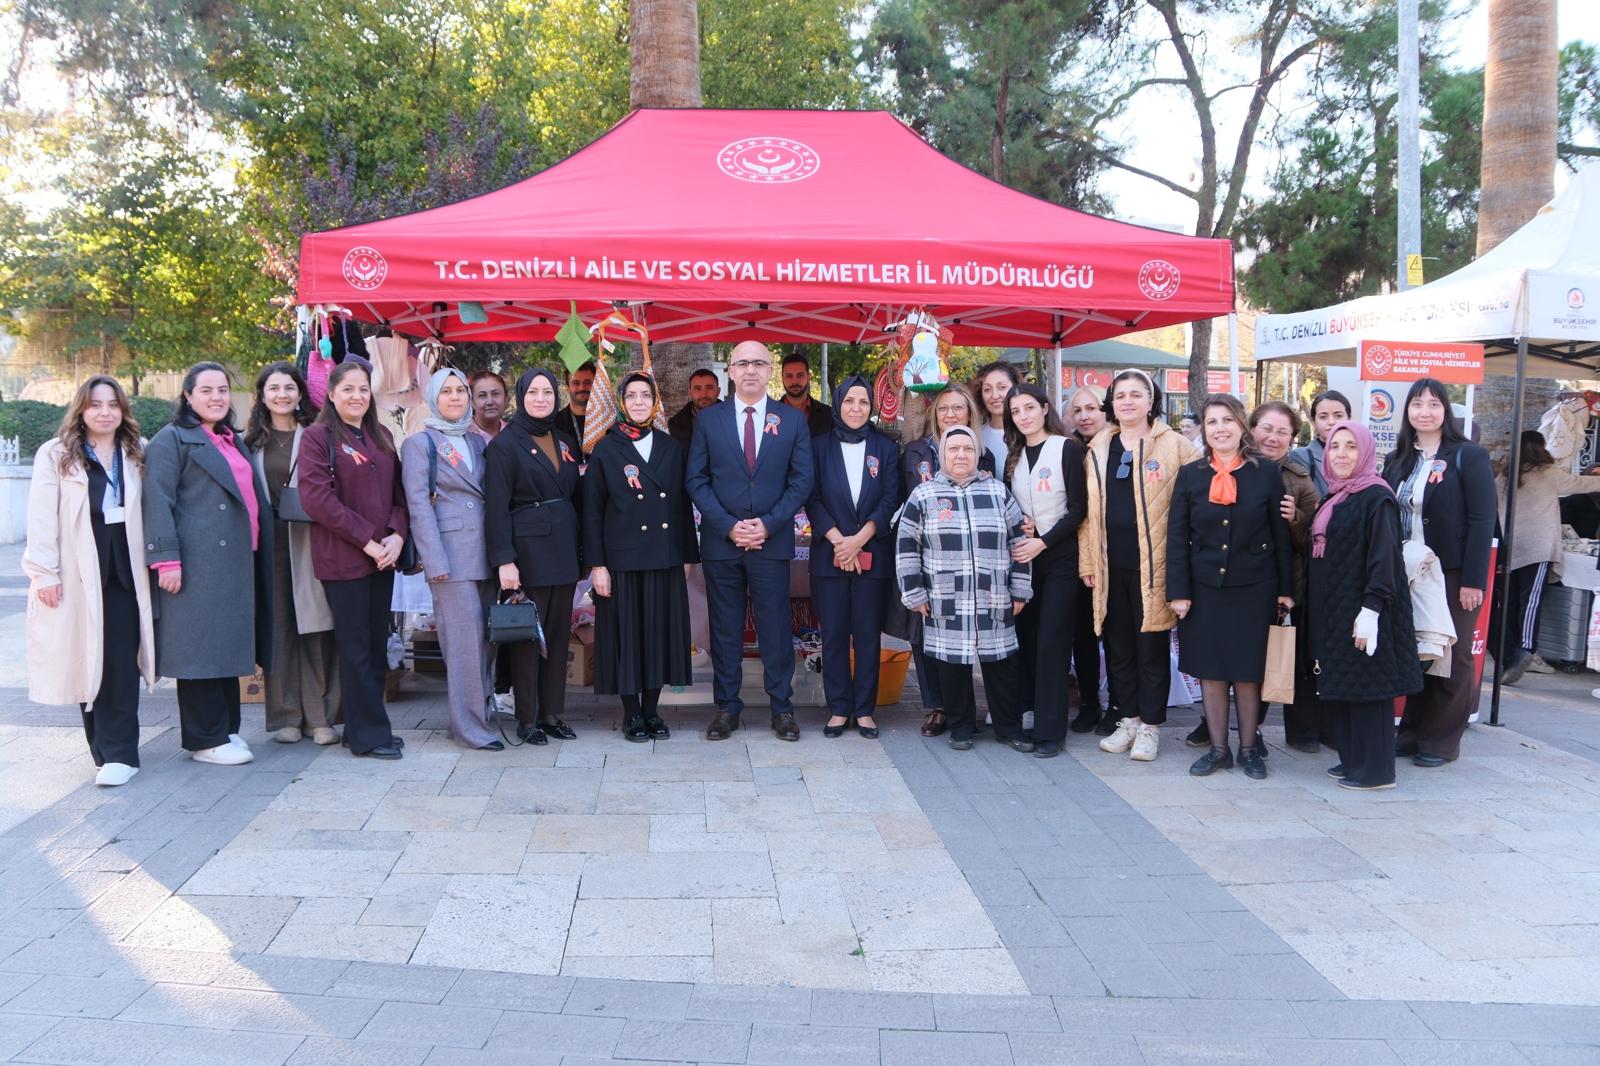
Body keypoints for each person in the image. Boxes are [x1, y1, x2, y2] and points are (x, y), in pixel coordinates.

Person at [24, 376, 157, 786]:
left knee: (120, 659)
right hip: (79, 568)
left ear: (123, 410)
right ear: (81, 409)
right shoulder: (57, 454)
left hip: (125, 570)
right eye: (96, 404)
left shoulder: (137, 450)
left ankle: (121, 753)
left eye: (113, 404)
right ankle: (103, 750)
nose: (105, 412)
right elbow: (41, 517)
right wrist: (44, 573)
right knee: (87, 658)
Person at [143, 362, 274, 766]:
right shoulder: (171, 440)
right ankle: (205, 739)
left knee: (225, 646)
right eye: (206, 390)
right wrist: (166, 560)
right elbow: (157, 501)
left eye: (222, 390)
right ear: (187, 395)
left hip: (236, 559)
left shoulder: (230, 438)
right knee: (199, 648)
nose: (216, 397)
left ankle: (226, 729)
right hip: (196, 561)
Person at [686, 340, 815, 741]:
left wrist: (769, 524)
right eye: (742, 363)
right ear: (731, 371)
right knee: (725, 628)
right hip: (722, 542)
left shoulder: (791, 420)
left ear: (770, 370)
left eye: (759, 363)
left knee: (774, 627)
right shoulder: (710, 420)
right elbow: (696, 480)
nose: (750, 370)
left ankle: (782, 708)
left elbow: (802, 480)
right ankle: (727, 707)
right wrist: (728, 525)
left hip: (770, 542)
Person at [1167, 394, 1294, 780]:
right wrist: (1178, 591)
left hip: (1255, 587)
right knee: (1212, 670)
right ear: (1204, 430)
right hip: (1205, 587)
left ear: (1241, 426)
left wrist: (1285, 589)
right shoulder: (1190, 475)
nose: (1220, 428)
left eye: (1227, 420)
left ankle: (1250, 750)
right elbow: (1177, 537)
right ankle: (1219, 750)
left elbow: (1281, 536)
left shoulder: (1265, 473)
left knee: (1248, 671)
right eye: (1212, 422)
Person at [1080, 369, 1200, 763]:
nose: (1128, 401)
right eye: (1120, 395)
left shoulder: (1177, 446)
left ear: (1152, 401)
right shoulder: (1098, 448)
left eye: (1136, 394)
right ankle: (1128, 719)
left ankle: (1150, 726)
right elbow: (1087, 515)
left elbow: (1198, 503)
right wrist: (1088, 561)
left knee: (1151, 649)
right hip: (1110, 567)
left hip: (1155, 566)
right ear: (1112, 404)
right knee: (1118, 649)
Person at [896, 426, 1033, 750]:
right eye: (953, 449)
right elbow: (906, 546)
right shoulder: (924, 495)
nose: (961, 455)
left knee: (1002, 665)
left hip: (993, 595)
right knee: (951, 666)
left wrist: (1020, 588)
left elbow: (1019, 543)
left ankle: (1008, 728)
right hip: (945, 597)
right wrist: (914, 593)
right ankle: (961, 727)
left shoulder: (998, 492)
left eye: (968, 449)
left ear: (977, 454)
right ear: (943, 455)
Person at [1382, 377, 1495, 767]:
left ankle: (1442, 741)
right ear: (1407, 411)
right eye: (1417, 404)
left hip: (1451, 572)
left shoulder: (1469, 456)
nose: (1425, 412)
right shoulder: (1397, 459)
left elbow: (1482, 520)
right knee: (1420, 651)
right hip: (1407, 571)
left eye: (1433, 404)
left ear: (1446, 410)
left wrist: (1473, 581)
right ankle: (1412, 732)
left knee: (1454, 654)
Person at [298, 360, 409, 760]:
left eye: (363, 389)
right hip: (344, 559)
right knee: (356, 646)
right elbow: (317, 500)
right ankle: (368, 736)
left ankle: (365, 726)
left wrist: (396, 535)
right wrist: (369, 542)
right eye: (348, 389)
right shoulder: (317, 437)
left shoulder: (381, 435)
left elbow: (399, 493)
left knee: (377, 643)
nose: (357, 396)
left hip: (383, 558)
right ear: (331, 394)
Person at [1308, 422, 1422, 790]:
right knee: (1346, 685)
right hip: (1337, 606)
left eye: (1351, 447)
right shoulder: (1336, 495)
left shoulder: (1376, 497)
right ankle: (1354, 761)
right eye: (1335, 446)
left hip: (1366, 606)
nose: (1341, 454)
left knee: (1370, 689)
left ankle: (1376, 772)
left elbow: (1384, 558)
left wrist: (1371, 609)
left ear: (1366, 453)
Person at [586, 372, 698, 740]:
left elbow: (681, 505)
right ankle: (631, 714)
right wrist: (598, 565)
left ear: (654, 402)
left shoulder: (670, 446)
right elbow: (593, 512)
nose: (638, 402)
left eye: (645, 395)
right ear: (620, 402)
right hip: (622, 561)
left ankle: (652, 711)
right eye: (631, 395)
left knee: (659, 637)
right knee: (627, 639)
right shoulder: (606, 448)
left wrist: (687, 555)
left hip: (665, 557)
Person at [403, 368, 503, 750]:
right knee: (463, 646)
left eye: (461, 390)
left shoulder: (477, 441)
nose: (455, 397)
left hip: (486, 554)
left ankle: (474, 717)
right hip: (451, 557)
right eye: (446, 391)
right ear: (433, 398)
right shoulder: (420, 444)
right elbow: (418, 505)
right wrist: (435, 561)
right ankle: (471, 729)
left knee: (486, 643)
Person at [245, 361, 340, 746]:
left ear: (300, 393)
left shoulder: (317, 435)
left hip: (310, 536)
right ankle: (286, 715)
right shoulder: (249, 442)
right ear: (262, 396)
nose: (281, 395)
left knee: (316, 626)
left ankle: (320, 717)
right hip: (268, 542)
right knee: (278, 627)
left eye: (288, 387)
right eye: (273, 388)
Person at [486, 367, 583, 744]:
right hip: (527, 555)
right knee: (527, 638)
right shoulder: (504, 445)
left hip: (563, 551)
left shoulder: (565, 441)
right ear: (520, 396)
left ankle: (551, 713)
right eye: (532, 392)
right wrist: (504, 560)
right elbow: (496, 508)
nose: (540, 399)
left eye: (547, 392)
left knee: (557, 638)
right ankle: (527, 718)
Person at [808, 375, 902, 739]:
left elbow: (890, 499)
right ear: (837, 404)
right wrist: (839, 542)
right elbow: (811, 497)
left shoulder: (886, 448)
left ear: (871, 407)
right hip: (828, 555)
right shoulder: (817, 447)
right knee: (833, 635)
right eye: (849, 401)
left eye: (863, 402)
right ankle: (838, 708)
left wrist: (859, 540)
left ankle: (864, 710)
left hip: (872, 553)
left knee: (867, 636)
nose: (856, 408)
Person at [899, 385, 994, 737]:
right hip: (928, 557)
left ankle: (969, 705)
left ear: (970, 413)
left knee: (971, 632)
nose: (950, 414)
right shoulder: (914, 451)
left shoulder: (982, 455)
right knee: (923, 630)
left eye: (958, 408)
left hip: (971, 561)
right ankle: (937, 705)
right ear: (934, 415)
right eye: (943, 409)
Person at [1003, 383, 1087, 757]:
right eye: (1016, 411)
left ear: (1044, 408)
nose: (1023, 416)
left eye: (1028, 408)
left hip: (1060, 559)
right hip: (1025, 559)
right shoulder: (1015, 455)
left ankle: (1052, 730)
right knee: (1028, 639)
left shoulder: (1066, 448)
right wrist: (1022, 523)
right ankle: (1030, 713)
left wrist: (1045, 541)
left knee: (1053, 642)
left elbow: (1079, 509)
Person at [1239, 400, 1323, 755]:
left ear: (1293, 438)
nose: (1273, 438)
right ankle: (1222, 724)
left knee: (1284, 657)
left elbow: (1314, 541)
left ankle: (1289, 730)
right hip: (1238, 581)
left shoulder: (1301, 480)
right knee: (1238, 657)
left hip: (1285, 586)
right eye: (1267, 429)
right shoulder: (1229, 466)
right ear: (1251, 429)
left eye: (1282, 432)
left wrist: (1296, 519)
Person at [1495, 430, 1600, 684]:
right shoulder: (1548, 473)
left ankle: (1509, 654)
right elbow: (1581, 483)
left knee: (1509, 601)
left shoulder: (1504, 476)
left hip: (1509, 546)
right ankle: (1527, 650)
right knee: (1531, 601)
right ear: (1541, 448)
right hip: (1538, 546)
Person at [1064, 385, 1111, 733]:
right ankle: (1090, 702)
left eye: (1092, 408)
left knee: (1118, 637)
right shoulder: (1071, 450)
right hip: (1081, 558)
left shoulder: (1121, 446)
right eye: (1078, 410)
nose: (1084, 416)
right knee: (1083, 635)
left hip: (1117, 555)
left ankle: (1122, 706)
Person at [1289, 390, 1352, 496]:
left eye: (1338, 415)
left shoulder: (1362, 455)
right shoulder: (1301, 457)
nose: (1331, 422)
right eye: (1323, 417)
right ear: (1313, 422)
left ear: (1349, 418)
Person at [973, 361, 1021, 473]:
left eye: (1002, 387)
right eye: (987, 389)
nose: (995, 396)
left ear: (1016, 388)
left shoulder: (1028, 431)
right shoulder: (976, 436)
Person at [780, 352, 835, 437]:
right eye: (789, 376)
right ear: (782, 378)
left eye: (800, 375)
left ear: (809, 377)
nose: (794, 381)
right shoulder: (768, 414)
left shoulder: (829, 415)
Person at [668, 368, 721, 447]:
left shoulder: (733, 418)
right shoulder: (675, 424)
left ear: (718, 391)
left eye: (709, 388)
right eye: (697, 389)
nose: (703, 394)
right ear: (690, 392)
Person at [552, 360, 595, 445]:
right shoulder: (555, 423)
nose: (582, 388)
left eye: (587, 382)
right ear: (567, 387)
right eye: (576, 383)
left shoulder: (609, 420)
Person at [468, 370, 509, 442]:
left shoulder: (515, 433)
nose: (490, 402)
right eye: (482, 395)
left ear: (505, 399)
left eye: (495, 394)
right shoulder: (463, 435)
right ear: (472, 402)